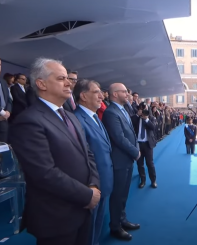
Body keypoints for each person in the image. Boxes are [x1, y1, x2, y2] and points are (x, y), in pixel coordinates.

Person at [9, 58, 100, 245]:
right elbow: (44, 173)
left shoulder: (71, 117)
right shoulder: (29, 121)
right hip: (57, 218)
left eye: (68, 78)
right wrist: (87, 195)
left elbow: (88, 154)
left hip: (83, 211)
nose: (69, 83)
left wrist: (93, 185)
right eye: (61, 78)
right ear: (41, 84)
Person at [73, 79, 114, 245]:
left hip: (103, 182)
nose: (102, 96)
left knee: (97, 227)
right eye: (96, 92)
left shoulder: (94, 117)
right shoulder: (78, 120)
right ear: (83, 96)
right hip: (92, 185)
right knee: (88, 232)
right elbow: (83, 157)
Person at [102, 83, 140, 241]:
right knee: (117, 195)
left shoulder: (123, 109)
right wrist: (135, 151)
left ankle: (122, 219)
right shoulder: (111, 112)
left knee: (124, 193)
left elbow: (131, 133)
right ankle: (115, 226)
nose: (128, 94)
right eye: (124, 92)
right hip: (119, 160)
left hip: (127, 159)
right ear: (115, 94)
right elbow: (119, 138)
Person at [131, 102, 157, 188]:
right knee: (140, 163)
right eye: (142, 109)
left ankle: (153, 181)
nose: (144, 111)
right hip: (138, 144)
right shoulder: (137, 118)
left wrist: (146, 119)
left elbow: (153, 127)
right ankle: (143, 180)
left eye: (145, 108)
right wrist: (138, 115)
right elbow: (131, 122)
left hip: (148, 144)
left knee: (150, 163)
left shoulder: (151, 118)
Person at [0, 59, 12, 142]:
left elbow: (9, 99)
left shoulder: (3, 82)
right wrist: (2, 113)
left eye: (0, 65)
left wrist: (8, 111)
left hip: (4, 120)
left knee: (3, 146)